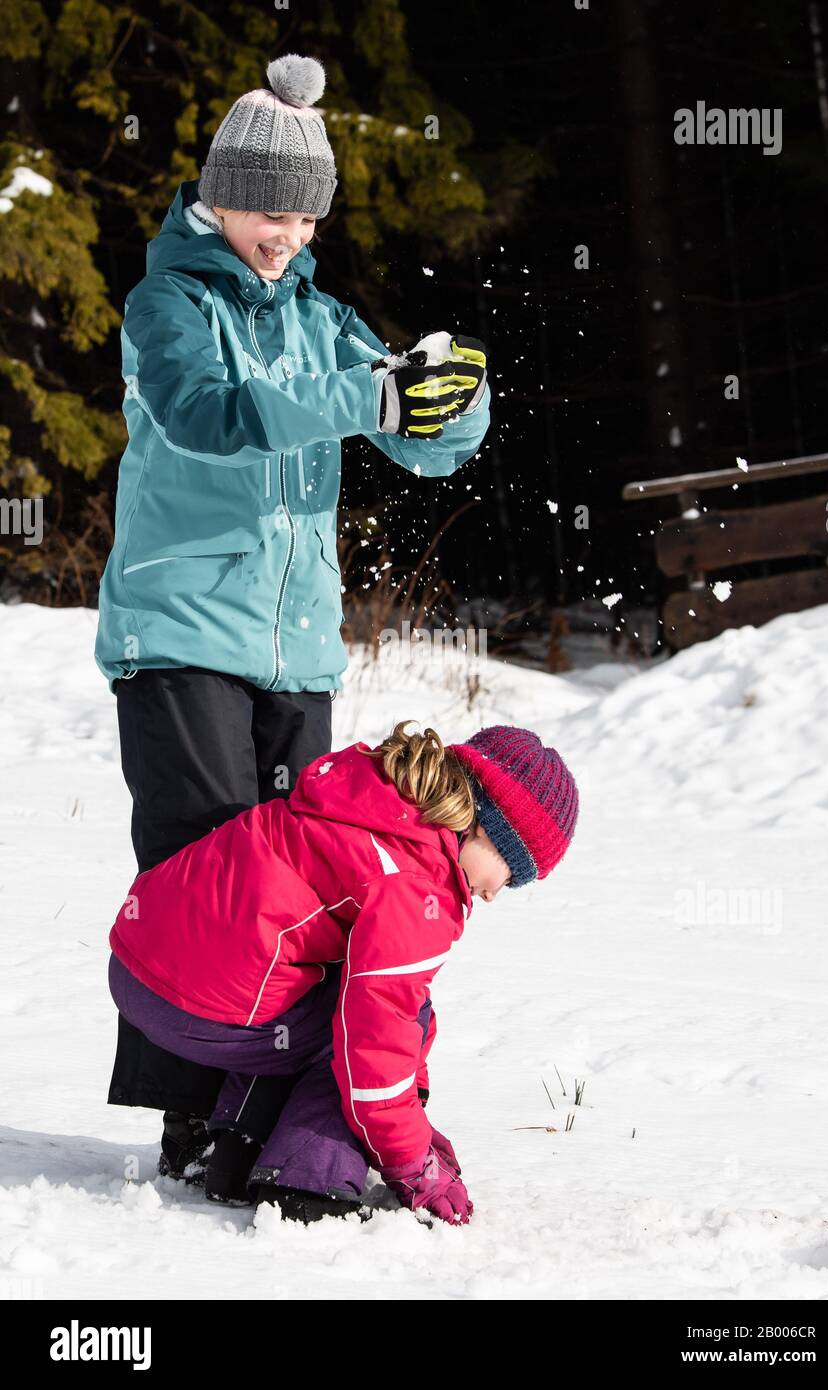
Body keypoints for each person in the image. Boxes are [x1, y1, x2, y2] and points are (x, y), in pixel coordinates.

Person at [93, 51, 491, 1188]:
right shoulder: (168, 304)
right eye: (270, 207)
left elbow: (415, 436)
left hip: (296, 650)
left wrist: (448, 398)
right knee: (203, 878)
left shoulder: (322, 319)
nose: (286, 234)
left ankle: (262, 1113)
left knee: (301, 890)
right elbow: (203, 414)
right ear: (219, 190)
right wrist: (365, 396)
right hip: (179, 634)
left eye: (306, 215)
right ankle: (186, 1118)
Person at [107, 720, 579, 1225]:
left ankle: (237, 1150)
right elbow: (375, 1050)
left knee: (332, 993)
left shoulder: (370, 794)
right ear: (486, 827)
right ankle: (310, 1181)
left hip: (136, 962)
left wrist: (411, 1116)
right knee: (358, 1030)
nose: (493, 894)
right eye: (511, 872)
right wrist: (414, 1164)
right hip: (198, 1004)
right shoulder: (420, 885)